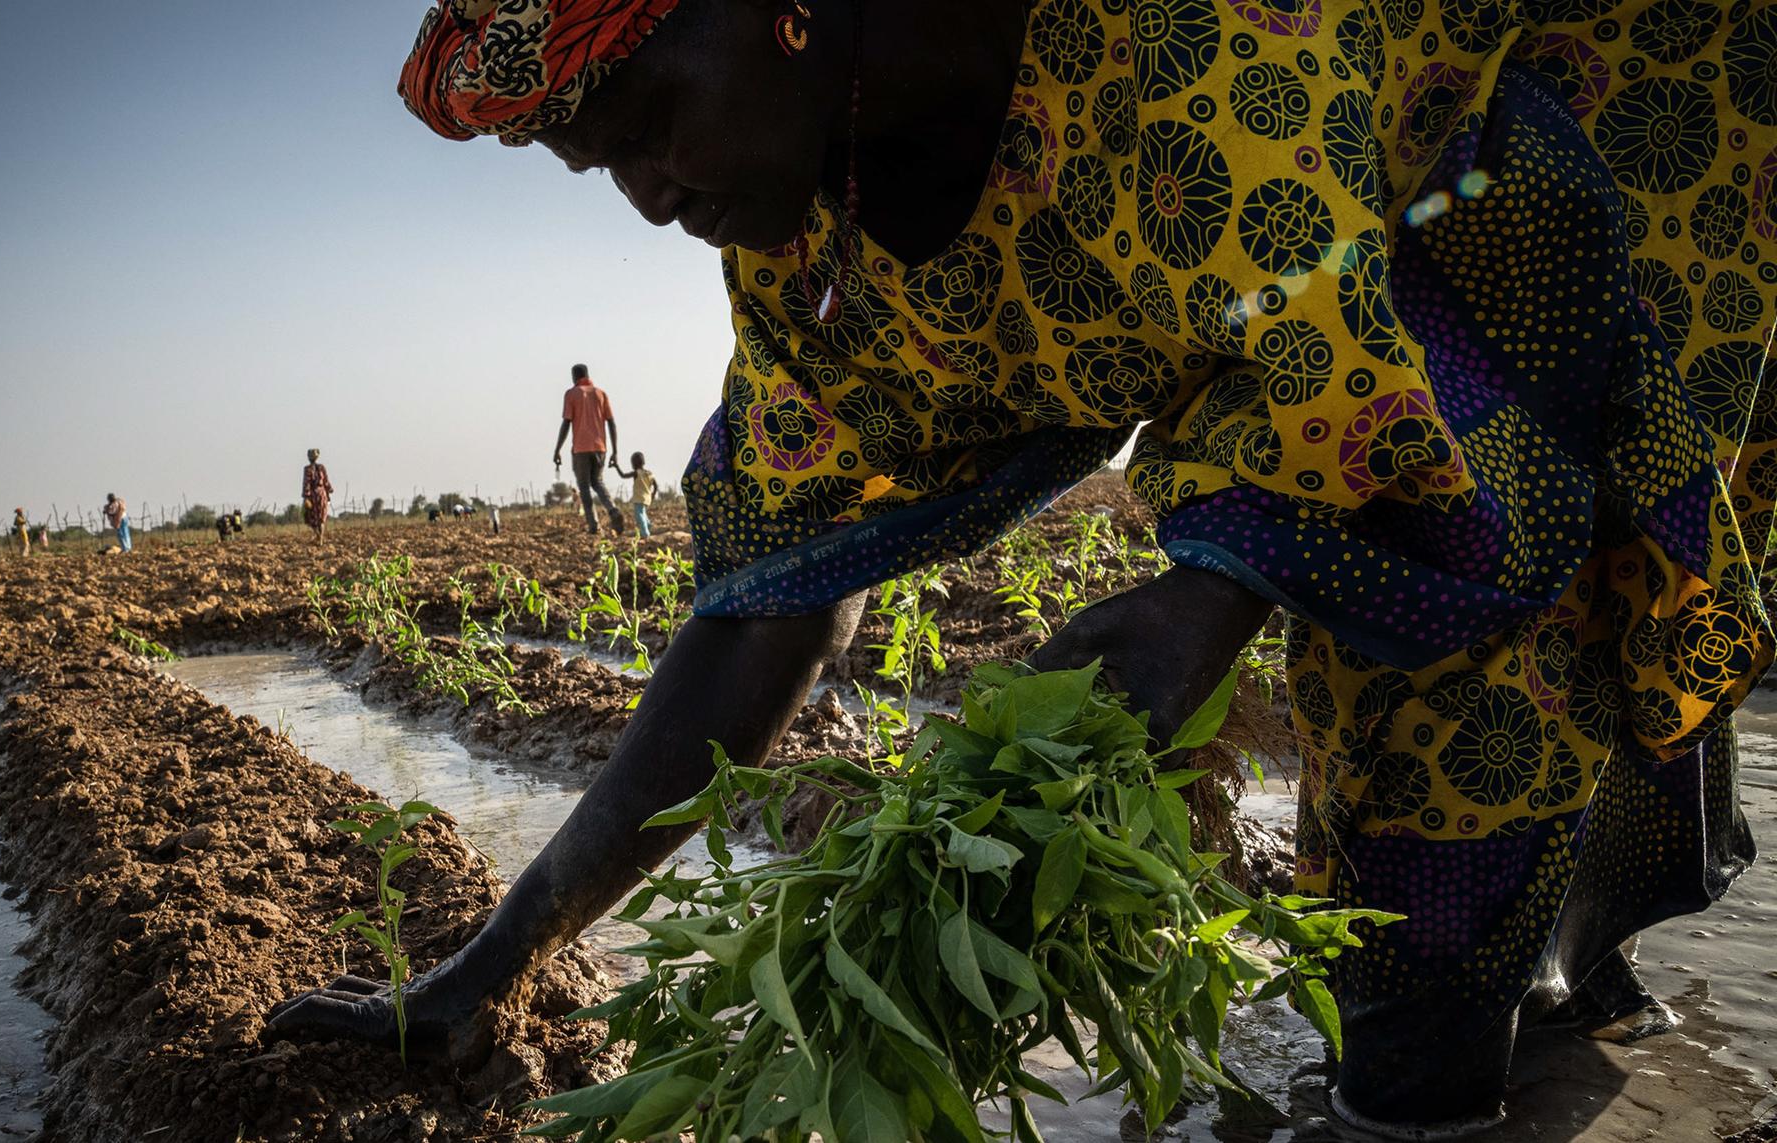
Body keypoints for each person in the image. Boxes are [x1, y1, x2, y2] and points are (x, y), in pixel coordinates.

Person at [274, 1, 1775, 1133]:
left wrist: (1193, 603)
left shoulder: (1182, 43)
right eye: (606, 167)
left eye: (651, 114)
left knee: (1474, 762)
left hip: (1512, 186)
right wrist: (499, 954)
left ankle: (1551, 1012)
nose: (652, 195)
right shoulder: (808, 246)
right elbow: (764, 601)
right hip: (1325, 311)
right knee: (1410, 937)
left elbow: (1337, 356)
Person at [552, 363, 625, 536]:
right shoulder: (601, 394)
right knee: (597, 482)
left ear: (574, 377)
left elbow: (566, 423)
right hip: (600, 447)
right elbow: (612, 423)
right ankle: (613, 509)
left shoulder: (571, 394)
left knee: (584, 487)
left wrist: (557, 449)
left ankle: (594, 525)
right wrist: (614, 451)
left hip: (580, 448)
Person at [613, 451, 657, 539]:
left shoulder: (636, 473)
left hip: (639, 498)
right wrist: (653, 495)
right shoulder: (649, 474)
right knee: (643, 513)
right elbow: (656, 486)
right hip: (647, 498)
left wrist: (616, 466)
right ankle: (648, 526)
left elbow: (623, 475)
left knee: (639, 516)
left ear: (634, 464)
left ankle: (645, 533)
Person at [301, 449, 334, 544]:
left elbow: (306, 483)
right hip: (322, 494)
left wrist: (306, 496)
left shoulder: (307, 469)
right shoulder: (322, 467)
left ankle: (319, 536)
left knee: (310, 517)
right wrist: (329, 490)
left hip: (313, 496)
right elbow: (326, 481)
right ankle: (321, 539)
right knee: (321, 518)